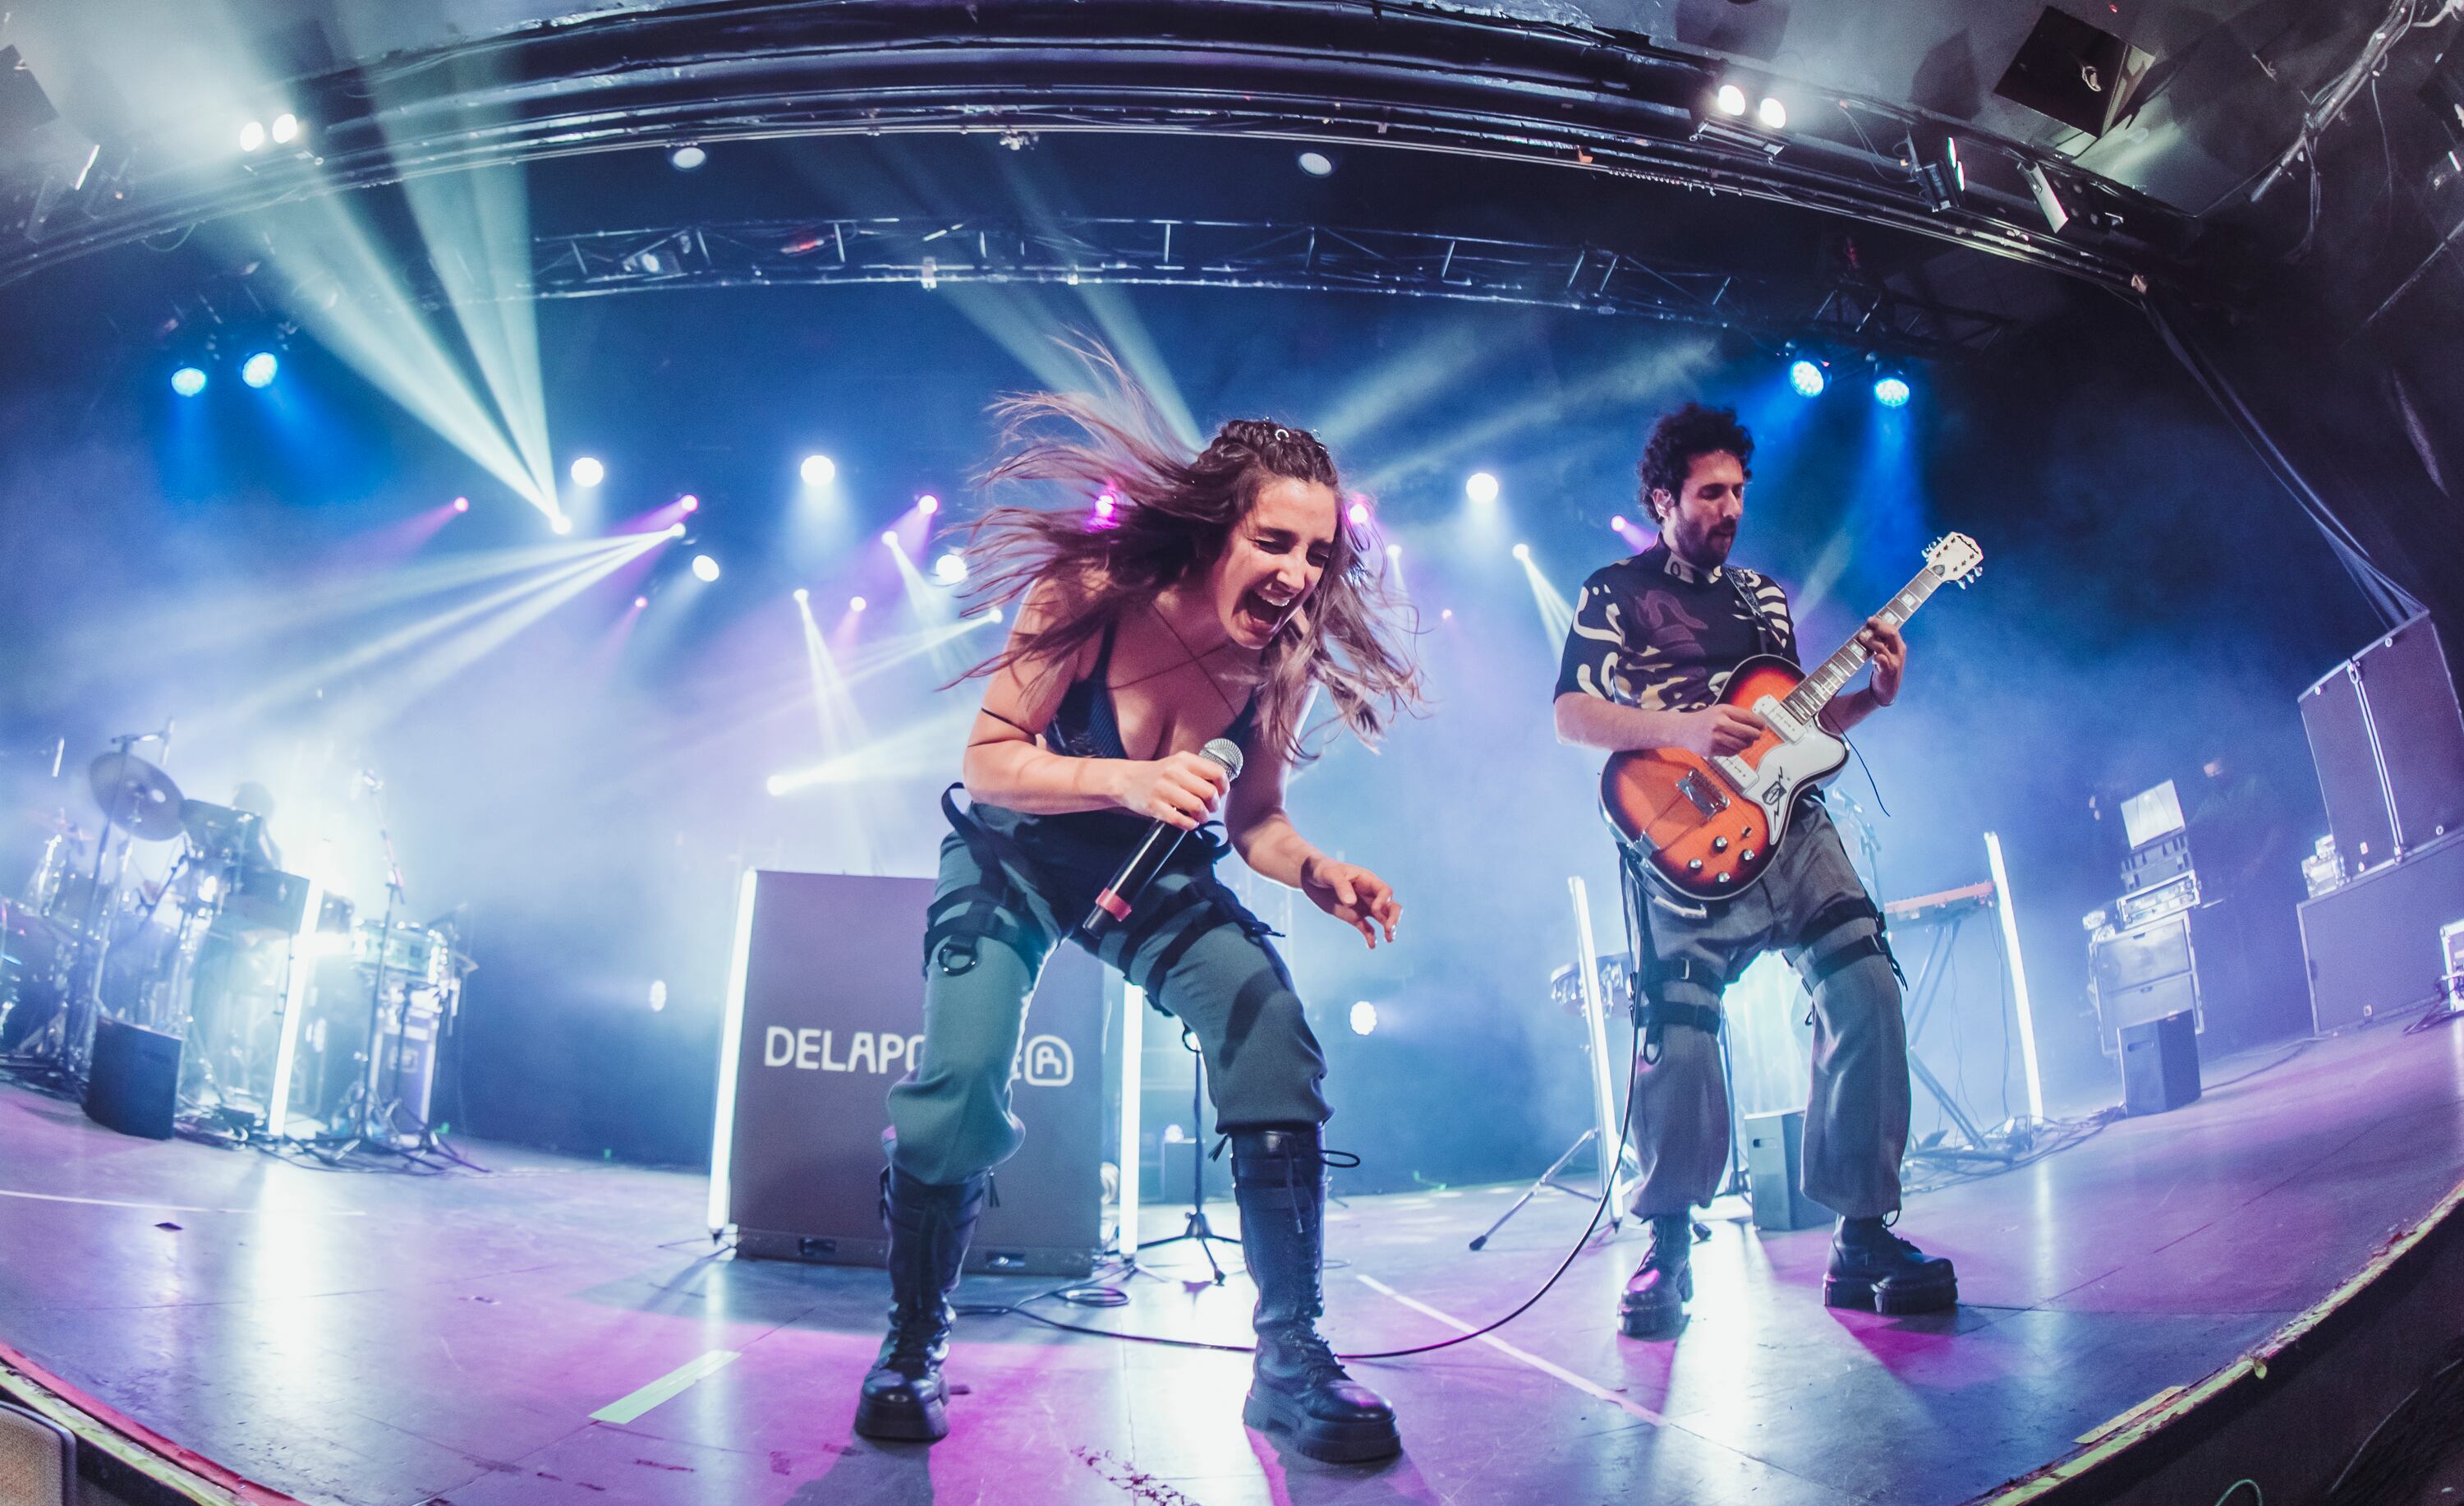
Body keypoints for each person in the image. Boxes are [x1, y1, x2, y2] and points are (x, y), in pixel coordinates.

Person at [853, 352, 1423, 1462]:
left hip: (1150, 871)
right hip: (1015, 853)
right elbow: (989, 764)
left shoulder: (1279, 656)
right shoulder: (1089, 592)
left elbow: (1255, 821)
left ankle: (1291, 1360)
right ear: (1215, 527)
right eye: (1275, 542)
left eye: (1318, 552)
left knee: (1271, 1029)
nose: (1300, 575)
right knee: (958, 1085)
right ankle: (914, 1342)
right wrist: (1123, 777)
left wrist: (1318, 870)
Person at [1551, 401, 1956, 1337]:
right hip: (1683, 831)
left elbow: (1794, 740)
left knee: (1868, 993)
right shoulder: (1614, 592)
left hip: (1795, 832)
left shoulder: (1764, 598)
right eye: (1709, 493)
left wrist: (1870, 701)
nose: (1730, 508)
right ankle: (1669, 1242)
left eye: (1739, 491)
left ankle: (1862, 1229)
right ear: (1663, 499)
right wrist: (1682, 728)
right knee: (1681, 1038)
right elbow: (1572, 714)